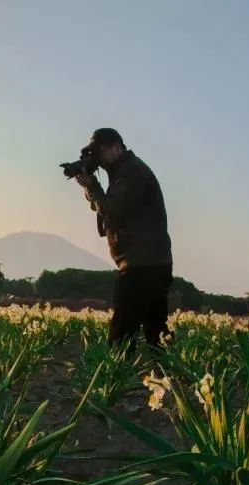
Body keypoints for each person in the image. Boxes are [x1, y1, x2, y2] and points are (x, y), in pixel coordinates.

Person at [74, 128, 173, 350]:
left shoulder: (132, 173)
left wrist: (92, 186)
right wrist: (92, 189)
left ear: (117, 147)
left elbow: (112, 212)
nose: (97, 159)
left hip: (140, 265)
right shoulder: (125, 172)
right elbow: (109, 211)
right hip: (154, 262)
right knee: (156, 335)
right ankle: (170, 378)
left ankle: (115, 379)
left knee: (121, 336)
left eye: (100, 152)